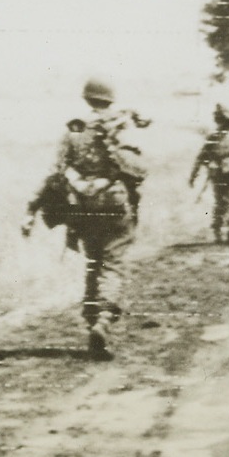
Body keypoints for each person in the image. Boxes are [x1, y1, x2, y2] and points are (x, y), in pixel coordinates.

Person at [22, 77, 147, 360]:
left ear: (87, 99)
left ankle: (91, 321)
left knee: (93, 263)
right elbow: (140, 169)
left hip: (82, 206)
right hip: (114, 203)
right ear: (110, 99)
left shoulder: (74, 130)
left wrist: (31, 210)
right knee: (112, 265)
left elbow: (55, 174)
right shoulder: (122, 126)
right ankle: (103, 319)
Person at [189, 104, 229, 244]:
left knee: (219, 201)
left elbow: (201, 157)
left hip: (216, 173)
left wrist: (194, 175)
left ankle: (218, 231)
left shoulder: (213, 137)